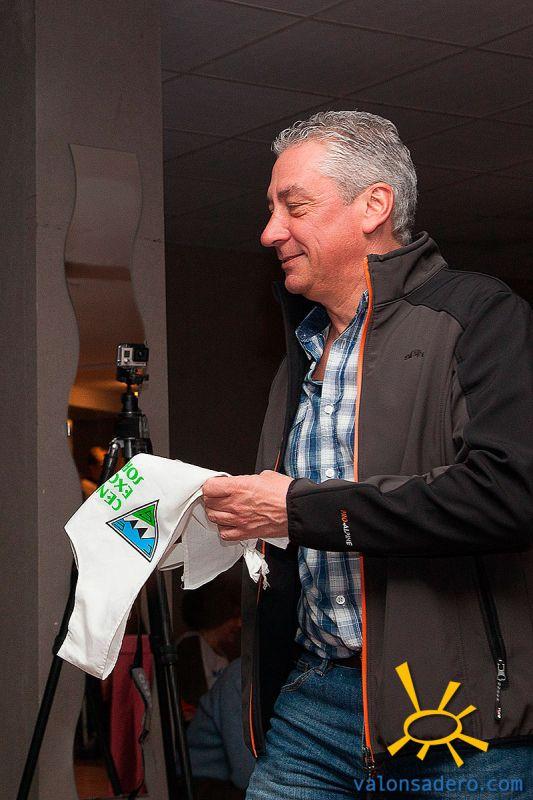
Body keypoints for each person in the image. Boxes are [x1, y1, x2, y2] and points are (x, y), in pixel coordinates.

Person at [202, 111, 533, 799]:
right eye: (270, 210)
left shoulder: (478, 315)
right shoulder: (299, 357)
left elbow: (506, 493)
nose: (269, 232)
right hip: (312, 705)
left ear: (374, 205)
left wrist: (299, 510)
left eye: (293, 207)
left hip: (454, 718)